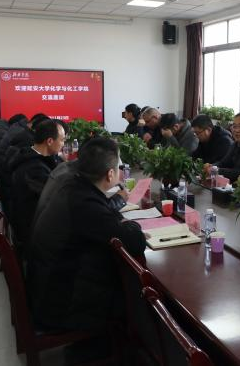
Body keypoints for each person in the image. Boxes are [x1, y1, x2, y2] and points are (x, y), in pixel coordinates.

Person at [28, 137, 146, 334]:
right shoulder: (83, 202)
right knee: (136, 293)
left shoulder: (72, 184)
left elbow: (101, 215)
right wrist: (130, 224)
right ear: (110, 174)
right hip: (61, 305)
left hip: (47, 285)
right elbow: (135, 242)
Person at [9, 119, 66, 255]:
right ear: (50, 141)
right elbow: (57, 198)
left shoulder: (32, 156)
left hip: (34, 222)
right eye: (62, 140)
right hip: (34, 233)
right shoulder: (34, 169)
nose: (63, 144)